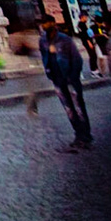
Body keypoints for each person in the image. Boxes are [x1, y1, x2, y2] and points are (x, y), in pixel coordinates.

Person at [38, 14, 92, 150]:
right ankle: (78, 134)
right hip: (56, 78)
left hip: (69, 78)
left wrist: (73, 76)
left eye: (45, 23)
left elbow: (77, 59)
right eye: (42, 23)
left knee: (78, 108)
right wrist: (48, 72)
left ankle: (86, 136)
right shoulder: (42, 40)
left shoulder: (64, 39)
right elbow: (45, 57)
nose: (43, 26)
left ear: (52, 23)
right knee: (69, 109)